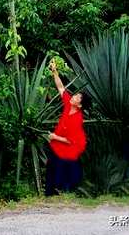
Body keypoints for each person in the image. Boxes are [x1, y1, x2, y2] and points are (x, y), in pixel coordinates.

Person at [45, 59, 89, 196]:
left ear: (80, 105)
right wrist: (54, 71)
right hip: (58, 143)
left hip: (70, 147)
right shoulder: (69, 104)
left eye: (77, 97)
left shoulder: (78, 119)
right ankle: (51, 192)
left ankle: (61, 192)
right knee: (52, 166)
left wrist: (54, 136)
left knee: (59, 168)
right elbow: (61, 88)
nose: (74, 96)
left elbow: (71, 140)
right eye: (75, 95)